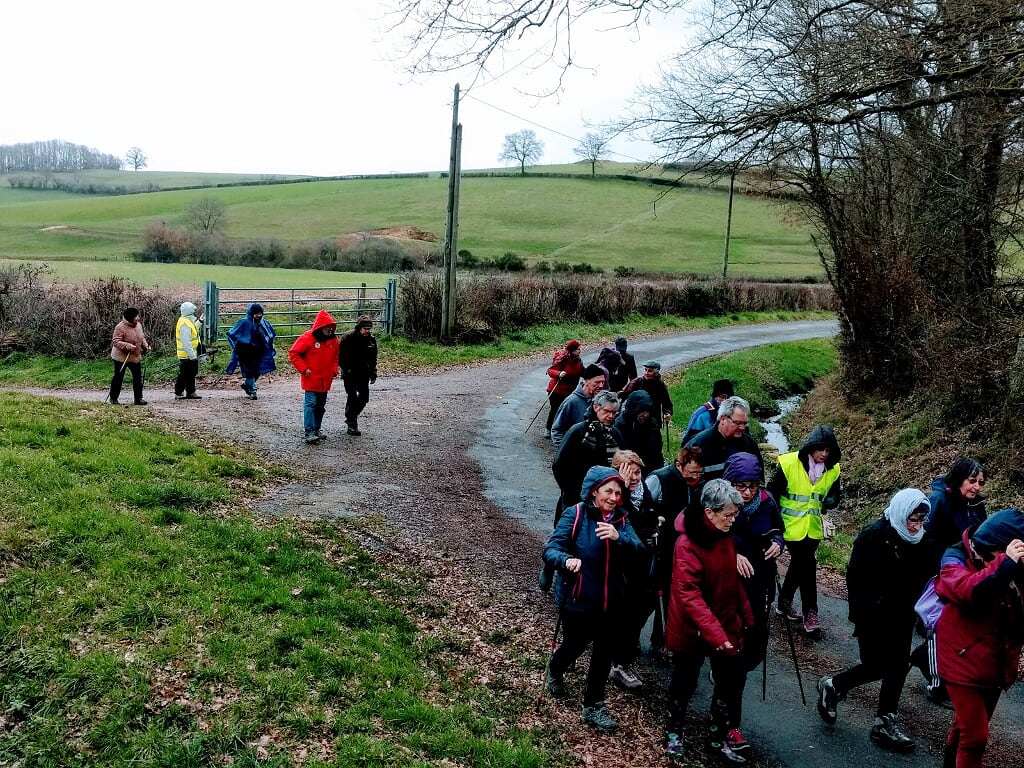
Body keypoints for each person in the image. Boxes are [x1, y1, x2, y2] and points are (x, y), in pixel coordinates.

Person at [816, 488, 932, 753]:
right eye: (912, 520)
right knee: (877, 665)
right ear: (902, 514)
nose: (916, 526)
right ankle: (833, 686)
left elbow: (925, 579)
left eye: (921, 520)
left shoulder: (923, 541)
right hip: (874, 615)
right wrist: (861, 614)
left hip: (903, 614)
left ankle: (884, 722)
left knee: (899, 665)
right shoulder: (874, 535)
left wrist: (922, 613)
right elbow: (855, 577)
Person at [543, 466, 644, 734]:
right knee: (574, 646)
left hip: (612, 601)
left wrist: (619, 538)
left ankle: (593, 706)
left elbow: (640, 552)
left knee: (603, 654)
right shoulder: (575, 514)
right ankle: (555, 668)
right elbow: (551, 550)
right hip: (579, 598)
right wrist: (566, 560)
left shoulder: (622, 520)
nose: (614, 497)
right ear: (594, 491)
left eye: (618, 492)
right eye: (608, 491)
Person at [664, 479, 754, 764]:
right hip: (692, 630)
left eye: (735, 514)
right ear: (709, 512)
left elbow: (730, 579)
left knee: (730, 683)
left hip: (726, 624)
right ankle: (673, 734)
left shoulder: (724, 534)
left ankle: (716, 739)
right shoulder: (686, 544)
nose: (733, 520)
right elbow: (690, 596)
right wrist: (718, 636)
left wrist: (746, 615)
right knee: (684, 683)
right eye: (728, 515)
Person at [935, 508, 1024, 768]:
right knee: (975, 737)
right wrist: (1005, 565)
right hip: (960, 658)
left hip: (995, 661)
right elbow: (967, 590)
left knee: (967, 726)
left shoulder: (1012, 565)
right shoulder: (956, 558)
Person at [914, 457, 988, 708]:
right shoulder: (940, 501)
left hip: (962, 575)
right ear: (958, 479)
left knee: (950, 626)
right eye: (971, 481)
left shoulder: (975, 505)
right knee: (940, 625)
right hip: (939, 573)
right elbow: (925, 538)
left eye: (980, 482)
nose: (976, 487)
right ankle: (937, 684)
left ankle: (924, 657)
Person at [768, 424, 841, 636]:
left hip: (813, 527)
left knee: (800, 565)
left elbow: (835, 497)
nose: (823, 454)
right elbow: (771, 493)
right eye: (820, 449)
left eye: (828, 451)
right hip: (788, 525)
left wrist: (832, 499)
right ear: (810, 447)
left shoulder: (834, 470)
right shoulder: (788, 463)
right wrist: (772, 525)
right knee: (808, 565)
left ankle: (784, 602)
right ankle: (811, 613)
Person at [723, 452, 784, 673]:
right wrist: (733, 554)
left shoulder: (767, 502)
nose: (748, 492)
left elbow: (778, 529)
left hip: (761, 573)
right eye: (741, 486)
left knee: (757, 624)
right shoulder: (720, 502)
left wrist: (777, 542)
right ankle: (725, 667)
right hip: (729, 575)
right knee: (730, 622)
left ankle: (745, 665)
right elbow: (711, 536)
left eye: (753, 486)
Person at [645, 446, 705, 651]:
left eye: (700, 472)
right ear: (679, 465)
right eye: (693, 471)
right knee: (648, 597)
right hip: (657, 547)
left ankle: (660, 640)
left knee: (672, 598)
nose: (697, 476)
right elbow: (642, 506)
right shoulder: (659, 479)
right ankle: (629, 639)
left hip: (680, 551)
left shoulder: (696, 485)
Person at [608, 449, 654, 690]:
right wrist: (622, 490)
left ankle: (621, 662)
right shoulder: (614, 496)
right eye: (628, 473)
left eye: (637, 472)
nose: (634, 478)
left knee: (637, 612)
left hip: (641, 565)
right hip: (618, 566)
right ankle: (615, 662)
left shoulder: (646, 492)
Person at [552, 391, 622, 510]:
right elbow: (559, 464)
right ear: (596, 407)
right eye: (606, 411)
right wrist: (571, 490)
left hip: (605, 498)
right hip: (575, 497)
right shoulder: (578, 432)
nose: (611, 416)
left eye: (614, 413)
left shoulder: (615, 434)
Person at [287, 309, 339, 444]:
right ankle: (309, 431)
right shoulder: (308, 338)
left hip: (325, 379)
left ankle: (316, 429)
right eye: (327, 327)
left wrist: (334, 370)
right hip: (311, 378)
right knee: (311, 404)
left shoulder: (333, 340)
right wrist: (304, 369)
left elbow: (335, 357)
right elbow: (294, 353)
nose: (329, 329)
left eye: (331, 327)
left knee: (320, 406)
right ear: (320, 327)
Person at [684, 395, 763, 481]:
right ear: (723, 419)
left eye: (745, 423)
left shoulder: (750, 445)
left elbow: (759, 477)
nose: (742, 428)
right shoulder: (698, 445)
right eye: (737, 423)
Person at [337, 315, 378, 436]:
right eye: (365, 328)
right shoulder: (348, 338)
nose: (367, 331)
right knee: (352, 396)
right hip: (350, 373)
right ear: (359, 327)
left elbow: (373, 358)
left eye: (369, 329)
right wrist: (346, 369)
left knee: (364, 397)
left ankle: (351, 416)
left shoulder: (371, 339)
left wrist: (373, 372)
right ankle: (352, 424)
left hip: (363, 373)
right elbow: (340, 356)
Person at [225, 302, 276, 400]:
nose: (258, 315)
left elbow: (269, 334)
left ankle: (246, 384)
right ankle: (253, 391)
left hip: (258, 351)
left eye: (260, 313)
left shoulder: (263, 323)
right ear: (251, 313)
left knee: (257, 371)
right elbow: (232, 333)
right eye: (256, 313)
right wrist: (238, 346)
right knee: (250, 371)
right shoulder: (244, 322)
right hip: (245, 351)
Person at [550, 364, 607, 448]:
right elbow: (557, 430)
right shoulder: (571, 401)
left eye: (603, 382)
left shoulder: (599, 400)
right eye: (597, 382)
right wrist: (564, 450)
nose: (601, 386)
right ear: (586, 381)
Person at [611, 390, 664, 473]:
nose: (645, 415)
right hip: (628, 471)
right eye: (642, 411)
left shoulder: (652, 425)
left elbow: (657, 451)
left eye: (647, 411)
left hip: (651, 470)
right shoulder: (619, 427)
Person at [108, 307, 151, 406]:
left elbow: (141, 337)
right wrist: (127, 346)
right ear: (130, 317)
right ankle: (113, 398)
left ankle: (138, 398)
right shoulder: (120, 327)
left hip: (135, 356)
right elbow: (115, 341)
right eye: (136, 316)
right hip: (121, 357)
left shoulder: (138, 325)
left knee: (137, 378)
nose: (138, 318)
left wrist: (145, 346)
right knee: (118, 377)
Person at [544, 340, 584, 439]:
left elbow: (583, 372)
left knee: (566, 411)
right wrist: (559, 373)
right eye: (577, 349)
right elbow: (550, 371)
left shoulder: (578, 360)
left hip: (569, 391)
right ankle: (548, 429)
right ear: (572, 350)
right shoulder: (563, 359)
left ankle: (562, 431)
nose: (579, 351)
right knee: (555, 410)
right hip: (556, 390)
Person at [620, 360, 674, 424]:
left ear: (656, 372)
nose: (646, 373)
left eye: (650, 371)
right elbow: (624, 394)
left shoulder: (660, 385)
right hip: (636, 417)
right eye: (645, 370)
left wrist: (668, 413)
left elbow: (666, 402)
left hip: (654, 417)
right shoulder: (637, 382)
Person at [683, 378, 734, 444]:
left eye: (728, 398)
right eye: (722, 397)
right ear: (715, 396)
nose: (725, 401)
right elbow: (689, 441)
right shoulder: (701, 414)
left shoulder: (735, 414)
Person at [174, 301, 203, 400]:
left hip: (190, 354)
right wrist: (192, 355)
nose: (195, 312)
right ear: (189, 312)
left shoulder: (187, 320)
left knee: (191, 373)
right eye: (193, 311)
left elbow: (194, 329)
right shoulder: (184, 323)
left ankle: (190, 392)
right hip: (187, 355)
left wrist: (200, 321)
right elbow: (186, 342)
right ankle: (179, 392)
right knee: (185, 374)